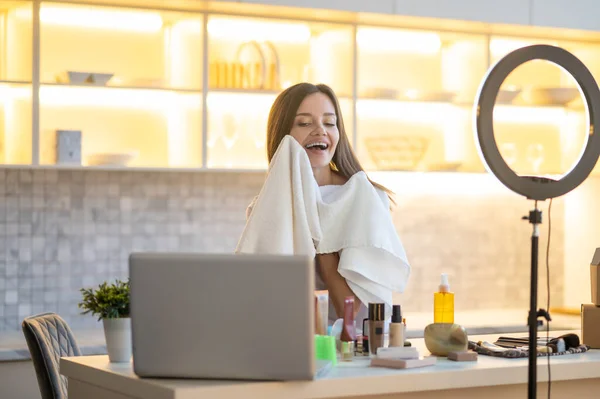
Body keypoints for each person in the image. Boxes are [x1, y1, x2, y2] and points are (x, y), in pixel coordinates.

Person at [245, 82, 397, 323]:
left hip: (356, 350)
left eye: (329, 122)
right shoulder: (267, 209)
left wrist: (323, 237)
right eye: (304, 123)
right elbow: (266, 298)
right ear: (283, 135)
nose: (320, 131)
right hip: (297, 346)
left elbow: (350, 312)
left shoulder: (363, 199)